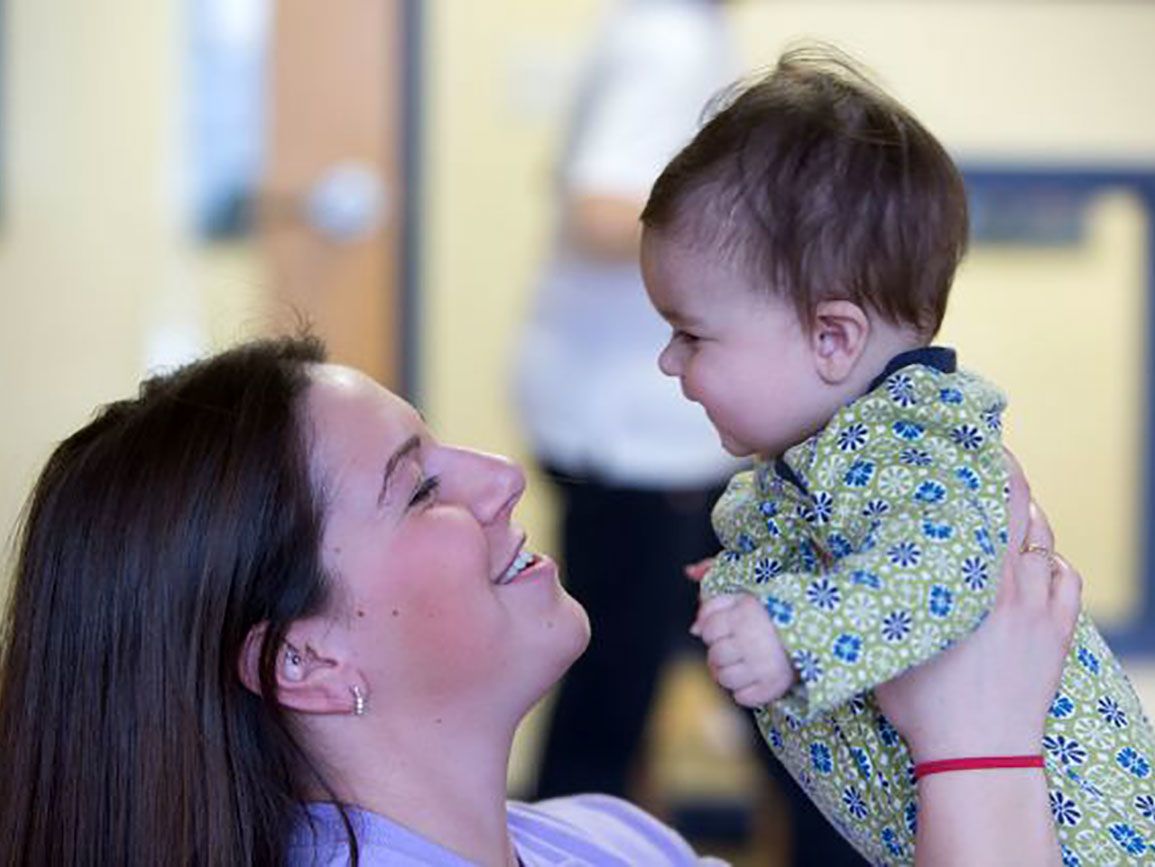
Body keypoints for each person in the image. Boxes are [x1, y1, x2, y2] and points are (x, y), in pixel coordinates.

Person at [0, 336, 1079, 865]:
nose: (500, 479)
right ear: (304, 662)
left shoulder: (600, 839)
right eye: (420, 486)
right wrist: (979, 746)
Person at [639, 46, 1155, 864]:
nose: (669, 362)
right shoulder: (823, 458)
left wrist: (789, 628)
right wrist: (754, 577)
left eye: (689, 333)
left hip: (1070, 835)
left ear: (832, 337)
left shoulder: (909, 439)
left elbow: (944, 568)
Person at [514, 0, 743, 810]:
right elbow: (603, 212)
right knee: (614, 685)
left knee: (711, 653)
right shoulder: (667, 42)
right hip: (636, 429)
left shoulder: (676, 33)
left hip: (640, 421)